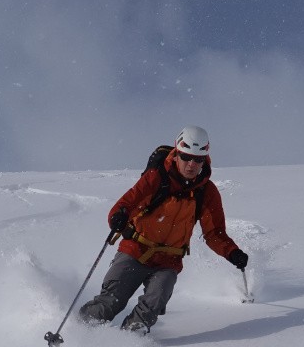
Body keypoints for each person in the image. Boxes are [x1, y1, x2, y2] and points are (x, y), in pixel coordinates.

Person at [79, 125, 248, 333]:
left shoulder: (206, 192)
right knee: (110, 302)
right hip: (135, 250)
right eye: (186, 157)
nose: (191, 164)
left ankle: (128, 343)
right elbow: (125, 205)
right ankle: (77, 333)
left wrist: (232, 252)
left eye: (198, 160)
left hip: (168, 260)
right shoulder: (156, 178)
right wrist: (118, 217)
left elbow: (214, 233)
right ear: (176, 154)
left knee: (152, 305)